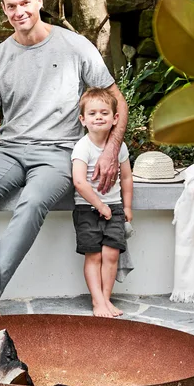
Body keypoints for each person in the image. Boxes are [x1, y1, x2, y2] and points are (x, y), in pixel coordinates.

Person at [0, 0, 128, 319]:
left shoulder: (74, 45)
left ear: (39, 0)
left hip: (58, 153)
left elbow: (117, 102)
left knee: (34, 200)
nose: (19, 11)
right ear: (3, 10)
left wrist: (111, 150)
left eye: (25, 2)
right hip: (10, 150)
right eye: (11, 6)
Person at [72, 87, 133, 318]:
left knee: (111, 255)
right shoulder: (83, 147)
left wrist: (126, 207)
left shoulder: (119, 148)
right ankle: (97, 301)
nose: (99, 117)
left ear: (115, 118)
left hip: (114, 208)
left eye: (104, 113)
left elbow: (126, 177)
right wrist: (100, 205)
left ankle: (106, 299)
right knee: (94, 255)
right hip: (88, 210)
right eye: (93, 113)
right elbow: (79, 182)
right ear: (83, 119)